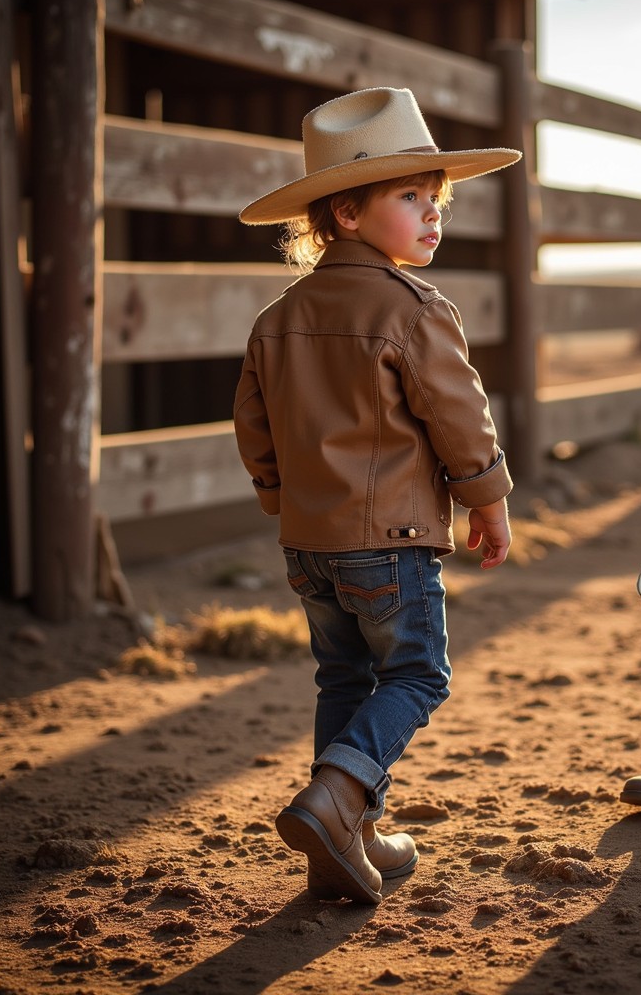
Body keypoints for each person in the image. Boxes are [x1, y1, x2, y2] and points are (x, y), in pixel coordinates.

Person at [232, 87, 521, 905]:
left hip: (308, 545)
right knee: (419, 675)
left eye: (437, 199)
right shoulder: (416, 309)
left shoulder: (275, 320)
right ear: (349, 216)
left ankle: (348, 837)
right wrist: (488, 500)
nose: (433, 215)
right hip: (389, 542)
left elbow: (253, 425)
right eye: (410, 198)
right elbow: (460, 416)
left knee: (342, 679)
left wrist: (280, 499)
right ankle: (337, 796)